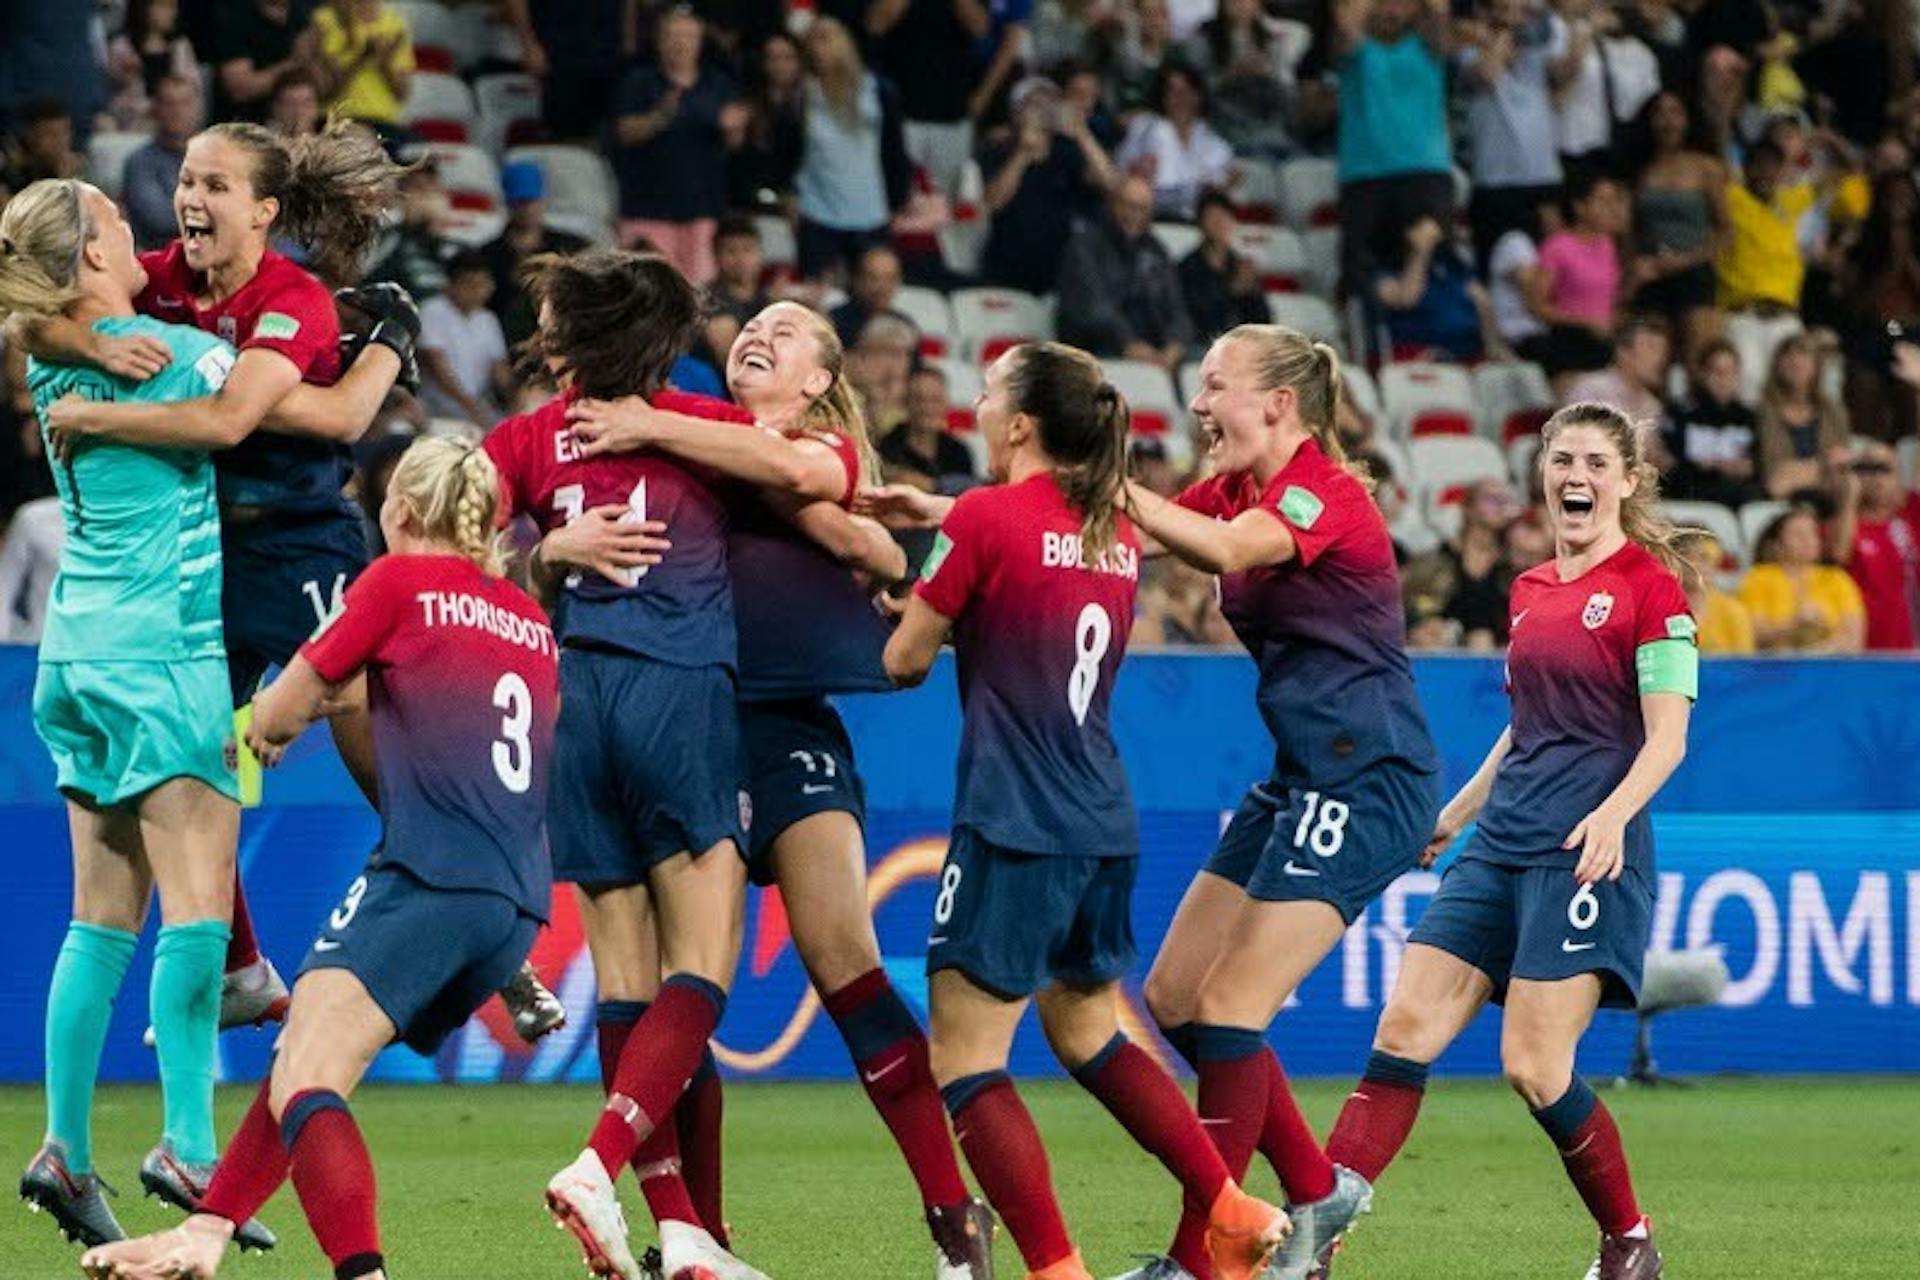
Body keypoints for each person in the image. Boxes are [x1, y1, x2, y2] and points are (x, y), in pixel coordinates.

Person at [30, 121, 563, 1045]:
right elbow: (35, 308)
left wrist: (103, 412)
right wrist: (93, 345)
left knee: (364, 720)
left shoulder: (296, 297)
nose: (191, 199)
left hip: (304, 543)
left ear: (265, 210)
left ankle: (490, 932)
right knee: (195, 753)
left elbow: (245, 419)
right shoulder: (159, 280)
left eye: (216, 186)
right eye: (187, 180)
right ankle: (238, 967)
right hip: (205, 555)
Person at [566, 298, 994, 1278]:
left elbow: (855, 530)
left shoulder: (807, 446)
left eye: (789, 330)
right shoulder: (686, 437)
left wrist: (652, 423)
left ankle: (951, 1219)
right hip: (677, 720)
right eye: (752, 321)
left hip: (786, 722)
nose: (761, 331)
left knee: (843, 956)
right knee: (682, 982)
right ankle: (698, 1237)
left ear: (816, 381)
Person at [78, 438, 561, 1280]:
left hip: (428, 874)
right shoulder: (528, 618)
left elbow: (273, 716)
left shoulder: (394, 581)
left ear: (401, 510)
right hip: (516, 902)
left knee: (309, 1080)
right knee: (303, 1052)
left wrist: (265, 721)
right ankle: (208, 1231)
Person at [876, 341, 1290, 1280]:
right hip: (1102, 818)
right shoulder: (1117, 531)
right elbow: (1031, 559)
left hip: (1013, 817)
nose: (976, 409)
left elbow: (903, 661)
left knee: (968, 1058)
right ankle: (1228, 1205)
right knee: (1087, 1030)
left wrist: (896, 605)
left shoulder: (984, 517)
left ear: (1021, 423)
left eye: (986, 396)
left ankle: (1058, 1271)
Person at [1311, 400, 1695, 1280]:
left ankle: (1630, 1241)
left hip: (1587, 849)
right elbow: (1527, 728)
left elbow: (1667, 737)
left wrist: (1611, 814)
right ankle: (1312, 1242)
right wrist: (1458, 811)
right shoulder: (1528, 591)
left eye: (1598, 463)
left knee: (1531, 1065)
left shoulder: (1651, 590)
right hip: (1503, 840)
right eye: (1563, 459)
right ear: (1543, 474)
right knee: (1405, 1025)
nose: (1577, 477)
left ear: (1627, 482)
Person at [1102, 324, 1439, 1280]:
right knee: (1174, 998)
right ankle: (1311, 1186)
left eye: (1214, 386)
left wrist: (1105, 475)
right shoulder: (1235, 486)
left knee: (1234, 1008)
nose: (1198, 404)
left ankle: (1203, 1259)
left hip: (1371, 777)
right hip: (1302, 773)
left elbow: (1214, 544)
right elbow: (1138, 533)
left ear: (1279, 405)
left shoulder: (1314, 492)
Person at [478, 251, 786, 1280]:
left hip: (575, 703)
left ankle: (690, 1234)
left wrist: (547, 557)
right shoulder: (708, 433)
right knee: (702, 964)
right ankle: (600, 1162)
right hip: (679, 691)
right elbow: (815, 472)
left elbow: (448, 551)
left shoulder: (524, 440)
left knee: (624, 978)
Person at [2, 178, 270, 1254]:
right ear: (97, 253)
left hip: (73, 653)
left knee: (98, 915)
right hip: (166, 650)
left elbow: (32, 309)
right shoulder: (169, 354)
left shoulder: (46, 353)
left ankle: (64, 1143)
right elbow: (271, 402)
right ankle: (189, 1142)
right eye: (120, 219)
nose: (142, 229)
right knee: (199, 905)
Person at [612, 7, 749, 285]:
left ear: (699, 42)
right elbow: (624, 132)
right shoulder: (640, 82)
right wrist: (659, 117)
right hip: (647, 210)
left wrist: (735, 128)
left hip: (702, 211)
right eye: (673, 36)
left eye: (688, 36)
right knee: (649, 293)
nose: (680, 43)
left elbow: (734, 143)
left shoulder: (718, 84)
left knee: (698, 295)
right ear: (659, 42)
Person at [1330, 0, 1455, 297]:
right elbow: (1346, 22)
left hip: (1425, 173)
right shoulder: (1354, 48)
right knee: (1360, 279)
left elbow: (1440, 11)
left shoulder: (1430, 44)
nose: (1392, 10)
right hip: (1364, 176)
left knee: (1435, 271)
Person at [792, 17, 910, 282]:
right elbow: (787, 151)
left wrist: (898, 200)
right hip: (818, 213)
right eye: (812, 41)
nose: (817, 48)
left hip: (871, 213)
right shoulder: (802, 94)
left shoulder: (877, 91)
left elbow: (894, 150)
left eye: (825, 39)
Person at [1057, 175, 1194, 370]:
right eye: (1128, 205)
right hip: (1097, 351)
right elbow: (1093, 308)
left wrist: (1175, 345)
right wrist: (1128, 344)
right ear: (1112, 203)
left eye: (1143, 209)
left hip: (1155, 352)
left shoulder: (1156, 250)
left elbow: (1177, 308)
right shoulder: (1084, 246)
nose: (1135, 215)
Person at [1631, 91, 1729, 359]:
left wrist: (1683, 260)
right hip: (1651, 271)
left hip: (1694, 270)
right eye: (1660, 113)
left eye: (1675, 112)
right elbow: (1632, 229)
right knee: (1650, 357)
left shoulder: (1705, 167)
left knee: (1700, 355)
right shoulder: (1641, 172)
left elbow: (1725, 231)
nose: (1668, 121)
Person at [1528, 172, 1632, 383]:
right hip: (1570, 344)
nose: (1611, 208)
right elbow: (1535, 306)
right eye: (1603, 201)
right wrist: (1585, 322)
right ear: (1580, 207)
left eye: (1614, 200)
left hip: (1605, 343)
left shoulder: (1609, 245)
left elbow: (1612, 297)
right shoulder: (1557, 247)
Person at [481, 161, 589, 351]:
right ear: (508, 203)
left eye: (532, 201)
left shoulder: (570, 245)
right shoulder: (489, 253)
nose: (527, 209)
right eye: (520, 202)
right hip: (505, 344)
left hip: (559, 339)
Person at [1828, 437, 1920, 650]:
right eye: (1866, 468)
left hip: (1910, 647)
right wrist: (1849, 495)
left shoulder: (1910, 515)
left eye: (1883, 469)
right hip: (1864, 646)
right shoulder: (1843, 523)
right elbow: (1838, 556)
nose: (1875, 477)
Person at [1372, 215, 1503, 362]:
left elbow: (1483, 303)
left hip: (1470, 354)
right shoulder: (1385, 271)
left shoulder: (1452, 265)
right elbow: (1405, 300)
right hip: (1418, 355)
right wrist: (1421, 252)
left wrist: (1495, 347)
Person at [1113, 65, 1236, 222]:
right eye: (1172, 92)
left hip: (1195, 222)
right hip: (1147, 216)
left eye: (1186, 92)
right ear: (1163, 97)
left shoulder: (1216, 145)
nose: (1180, 99)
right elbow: (1120, 174)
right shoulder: (1144, 127)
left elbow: (1215, 189)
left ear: (1198, 96)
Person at [1738, 506, 1866, 652]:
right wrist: (1793, 626)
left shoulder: (1836, 578)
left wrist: (1815, 653)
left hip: (1829, 666)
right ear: (1776, 545)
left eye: (1813, 533)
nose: (1808, 540)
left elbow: (1854, 638)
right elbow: (1751, 634)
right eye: (1798, 534)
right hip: (1775, 668)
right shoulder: (1759, 577)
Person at [1660, 338, 1760, 506]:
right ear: (1703, 374)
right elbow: (1671, 462)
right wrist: (1716, 466)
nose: (1724, 379)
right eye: (1717, 372)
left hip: (1738, 496)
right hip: (1692, 494)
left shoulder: (1749, 417)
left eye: (1731, 372)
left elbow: (1757, 464)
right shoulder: (1680, 413)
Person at [418, 250, 512, 427]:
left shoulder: (487, 318)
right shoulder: (432, 311)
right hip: (435, 409)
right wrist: (472, 408)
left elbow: (499, 369)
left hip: (476, 405)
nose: (478, 292)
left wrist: (516, 396)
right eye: (471, 285)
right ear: (450, 284)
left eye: (483, 285)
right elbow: (437, 367)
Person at [1757, 332, 1848, 498]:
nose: (1795, 361)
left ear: (1817, 366)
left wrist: (1807, 471)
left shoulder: (1833, 411)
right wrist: (1821, 466)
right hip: (1779, 492)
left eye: (1803, 354)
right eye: (1788, 355)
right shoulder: (1762, 411)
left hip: (1827, 489)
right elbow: (1771, 471)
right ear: (1777, 365)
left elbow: (1840, 460)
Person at [123, 76, 205, 251]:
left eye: (185, 103)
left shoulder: (217, 157)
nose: (178, 111)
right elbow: (159, 220)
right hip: (160, 261)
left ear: (198, 108)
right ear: (156, 109)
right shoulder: (139, 162)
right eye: (169, 103)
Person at [308, 0, 415, 134]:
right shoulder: (325, 20)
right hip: (336, 120)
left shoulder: (395, 24)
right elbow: (323, 93)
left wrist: (385, 65)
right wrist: (360, 60)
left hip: (384, 122)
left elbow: (402, 94)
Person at [1180, 191, 1271, 347]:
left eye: (1224, 216)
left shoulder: (1240, 264)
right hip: (1204, 344)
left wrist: (1252, 291)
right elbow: (1197, 319)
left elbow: (1263, 320)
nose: (1219, 222)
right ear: (1201, 223)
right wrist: (1232, 291)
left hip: (1242, 345)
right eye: (1212, 217)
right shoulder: (1188, 267)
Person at [882, 364, 979, 491]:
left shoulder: (959, 452)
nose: (927, 407)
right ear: (905, 402)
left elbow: (969, 496)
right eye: (918, 399)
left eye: (935, 400)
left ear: (946, 403)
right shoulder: (886, 448)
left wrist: (933, 485)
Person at [1565, 315, 1672, 426]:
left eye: (1664, 350)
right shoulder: (1591, 390)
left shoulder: (1653, 408)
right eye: (1652, 348)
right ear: (1623, 352)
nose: (1661, 358)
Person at [1674, 529, 1756, 653]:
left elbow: (1743, 664)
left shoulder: (1732, 611)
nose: (1707, 565)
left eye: (1713, 559)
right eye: (1701, 557)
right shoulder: (1659, 607)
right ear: (1676, 560)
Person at [829, 244, 910, 350]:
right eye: (873, 278)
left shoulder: (905, 325)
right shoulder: (833, 324)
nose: (882, 287)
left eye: (890, 278)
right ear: (857, 280)